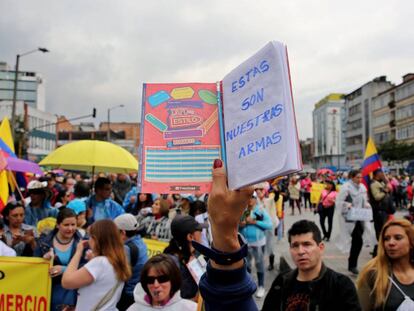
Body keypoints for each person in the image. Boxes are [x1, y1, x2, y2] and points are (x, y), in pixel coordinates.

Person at [262, 220, 360, 310]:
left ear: (320, 248)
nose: (300, 251)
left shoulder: (340, 286)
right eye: (295, 246)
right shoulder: (282, 282)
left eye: (307, 244)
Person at [62, 219, 132, 310]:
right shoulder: (118, 260)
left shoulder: (100, 263)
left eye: (90, 237)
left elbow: (66, 282)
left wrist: (78, 252)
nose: (89, 240)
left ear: (96, 239)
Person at [357, 218, 414, 310]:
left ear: (411, 242)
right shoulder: (372, 274)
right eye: (386, 239)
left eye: (398, 238)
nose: (391, 243)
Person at [34, 208, 85, 311]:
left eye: (73, 225)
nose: (70, 229)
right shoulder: (43, 243)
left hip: (75, 294)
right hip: (49, 294)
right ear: (57, 225)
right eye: (66, 225)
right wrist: (44, 261)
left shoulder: (83, 242)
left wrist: (64, 269)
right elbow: (33, 269)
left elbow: (87, 268)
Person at [335, 169, 374, 275]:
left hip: (360, 217)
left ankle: (352, 263)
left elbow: (364, 200)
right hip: (349, 218)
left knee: (358, 241)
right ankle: (352, 265)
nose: (360, 179)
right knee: (357, 240)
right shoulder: (346, 187)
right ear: (352, 177)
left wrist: (366, 205)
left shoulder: (362, 187)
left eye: (361, 177)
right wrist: (347, 205)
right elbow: (339, 202)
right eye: (357, 177)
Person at [126, 254, 197, 310]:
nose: (156, 285)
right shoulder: (134, 309)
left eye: (162, 279)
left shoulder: (191, 308)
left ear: (173, 280)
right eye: (150, 280)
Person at [164, 215, 207, 301]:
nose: (202, 233)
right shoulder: (172, 262)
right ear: (190, 237)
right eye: (199, 230)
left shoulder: (197, 254)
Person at [239, 191, 272, 298]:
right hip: (245, 243)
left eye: (251, 197)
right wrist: (241, 225)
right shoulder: (243, 211)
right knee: (246, 265)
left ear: (255, 198)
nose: (249, 200)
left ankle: (261, 286)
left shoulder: (260, 210)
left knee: (259, 264)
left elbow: (269, 224)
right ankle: (248, 286)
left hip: (258, 243)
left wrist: (255, 222)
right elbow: (237, 226)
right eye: (247, 197)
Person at [114, 214, 149, 311]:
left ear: (123, 233)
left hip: (127, 295)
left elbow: (119, 274)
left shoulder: (126, 249)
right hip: (137, 291)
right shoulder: (140, 241)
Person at [254, 182, 279, 271]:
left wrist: (276, 191)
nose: (258, 192)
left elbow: (276, 198)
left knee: (270, 245)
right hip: (260, 227)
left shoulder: (269, 200)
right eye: (256, 191)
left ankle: (271, 264)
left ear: (264, 191)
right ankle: (261, 262)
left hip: (269, 227)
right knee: (260, 245)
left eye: (260, 191)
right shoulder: (255, 203)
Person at [369, 169, 394, 256]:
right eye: (381, 173)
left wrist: (386, 182)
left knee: (384, 230)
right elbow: (377, 197)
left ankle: (379, 250)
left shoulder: (381, 183)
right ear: (377, 174)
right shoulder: (373, 184)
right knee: (381, 231)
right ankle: (378, 251)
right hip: (379, 211)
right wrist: (385, 191)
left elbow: (390, 190)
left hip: (385, 210)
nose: (383, 174)